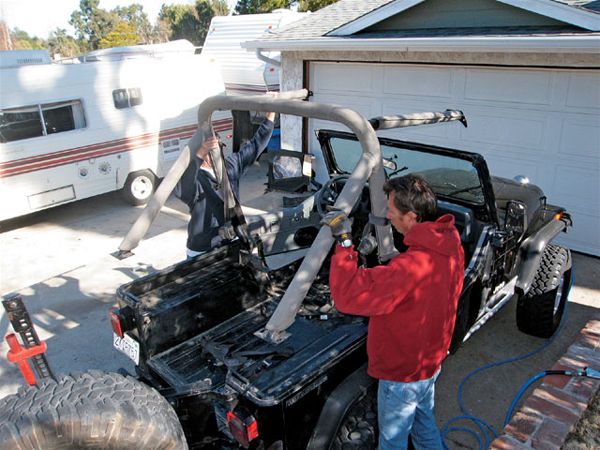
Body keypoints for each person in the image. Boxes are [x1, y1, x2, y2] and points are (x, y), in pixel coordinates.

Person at [322, 174, 464, 450]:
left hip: (402, 375)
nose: (386, 215)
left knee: (392, 442)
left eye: (391, 210)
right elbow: (420, 281)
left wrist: (344, 243)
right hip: (429, 365)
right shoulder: (450, 245)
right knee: (423, 428)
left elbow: (347, 296)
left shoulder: (408, 270)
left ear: (411, 216)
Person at [179, 93, 277, 258]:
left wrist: (270, 114)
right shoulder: (195, 177)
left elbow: (255, 145)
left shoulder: (230, 166)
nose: (220, 151)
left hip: (230, 239)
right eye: (213, 149)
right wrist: (200, 154)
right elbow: (182, 189)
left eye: (220, 146)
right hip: (202, 248)